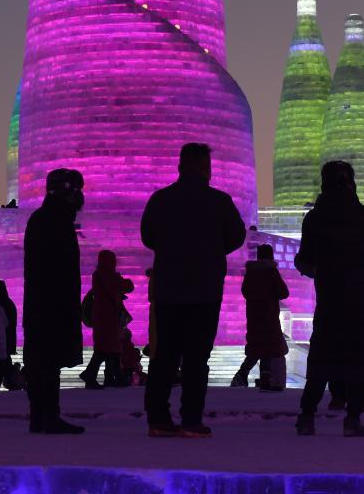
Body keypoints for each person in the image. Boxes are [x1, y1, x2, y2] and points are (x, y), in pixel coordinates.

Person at [141, 143, 247, 438]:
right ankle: (191, 420)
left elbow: (148, 236)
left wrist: (171, 250)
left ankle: (158, 419)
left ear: (180, 166)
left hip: (168, 289)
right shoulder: (218, 201)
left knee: (164, 357)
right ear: (205, 168)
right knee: (197, 358)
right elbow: (236, 237)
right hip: (204, 289)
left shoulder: (161, 200)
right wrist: (213, 251)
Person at [294, 161, 364, 437]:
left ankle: (306, 416)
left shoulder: (315, 218)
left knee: (322, 357)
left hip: (331, 297)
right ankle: (352, 418)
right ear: (351, 183)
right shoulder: (363, 215)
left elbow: (305, 260)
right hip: (363, 298)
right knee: (361, 358)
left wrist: (320, 270)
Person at [23, 168, 86, 434]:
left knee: (44, 362)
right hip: (52, 304)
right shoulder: (54, 221)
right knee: (47, 363)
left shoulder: (44, 218)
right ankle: (47, 416)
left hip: (43, 303)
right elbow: (55, 269)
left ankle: (42, 416)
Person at [231, 244, 289, 391]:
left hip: (254, 317)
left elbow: (245, 292)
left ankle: (244, 375)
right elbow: (284, 292)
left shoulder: (251, 273)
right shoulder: (271, 272)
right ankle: (263, 378)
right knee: (269, 348)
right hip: (269, 316)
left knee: (257, 347)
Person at [80, 250, 135, 389]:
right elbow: (129, 286)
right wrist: (122, 279)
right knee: (107, 349)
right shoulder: (110, 276)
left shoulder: (97, 275)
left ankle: (114, 378)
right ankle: (91, 375)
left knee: (108, 348)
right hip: (109, 318)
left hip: (101, 318)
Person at [0, 279, 18, 391]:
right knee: (3, 363)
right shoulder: (6, 303)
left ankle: (13, 380)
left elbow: (4, 324)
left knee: (1, 363)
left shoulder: (3, 304)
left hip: (3, 340)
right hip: (4, 339)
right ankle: (14, 380)